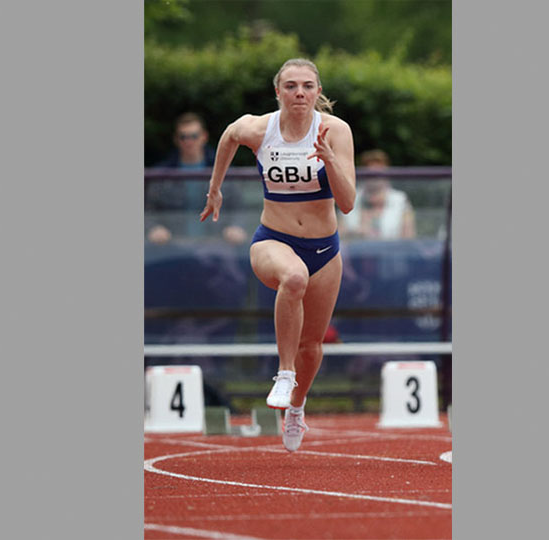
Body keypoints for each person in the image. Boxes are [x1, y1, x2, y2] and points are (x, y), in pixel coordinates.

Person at [199, 58, 356, 452]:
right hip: (273, 240)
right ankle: (283, 374)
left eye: (306, 86)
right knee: (294, 277)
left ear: (318, 92)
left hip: (324, 248)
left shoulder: (335, 131)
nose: (299, 93)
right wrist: (214, 188)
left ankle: (297, 410)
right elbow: (228, 137)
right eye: (290, 86)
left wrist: (329, 158)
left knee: (312, 345)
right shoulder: (259, 127)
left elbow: (349, 203)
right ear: (278, 92)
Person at [147, 113, 248, 245]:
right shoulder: (162, 176)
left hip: (216, 246)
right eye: (183, 137)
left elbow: (238, 208)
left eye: (194, 136)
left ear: (204, 137)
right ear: (176, 140)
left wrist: (236, 227)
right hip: (173, 248)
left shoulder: (224, 172)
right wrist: (153, 229)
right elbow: (148, 211)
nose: (189, 142)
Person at [339, 149, 416, 239]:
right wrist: (356, 234)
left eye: (378, 173)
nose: (375, 178)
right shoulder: (351, 198)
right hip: (356, 251)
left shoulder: (400, 200)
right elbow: (339, 236)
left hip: (392, 251)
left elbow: (409, 237)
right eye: (371, 174)